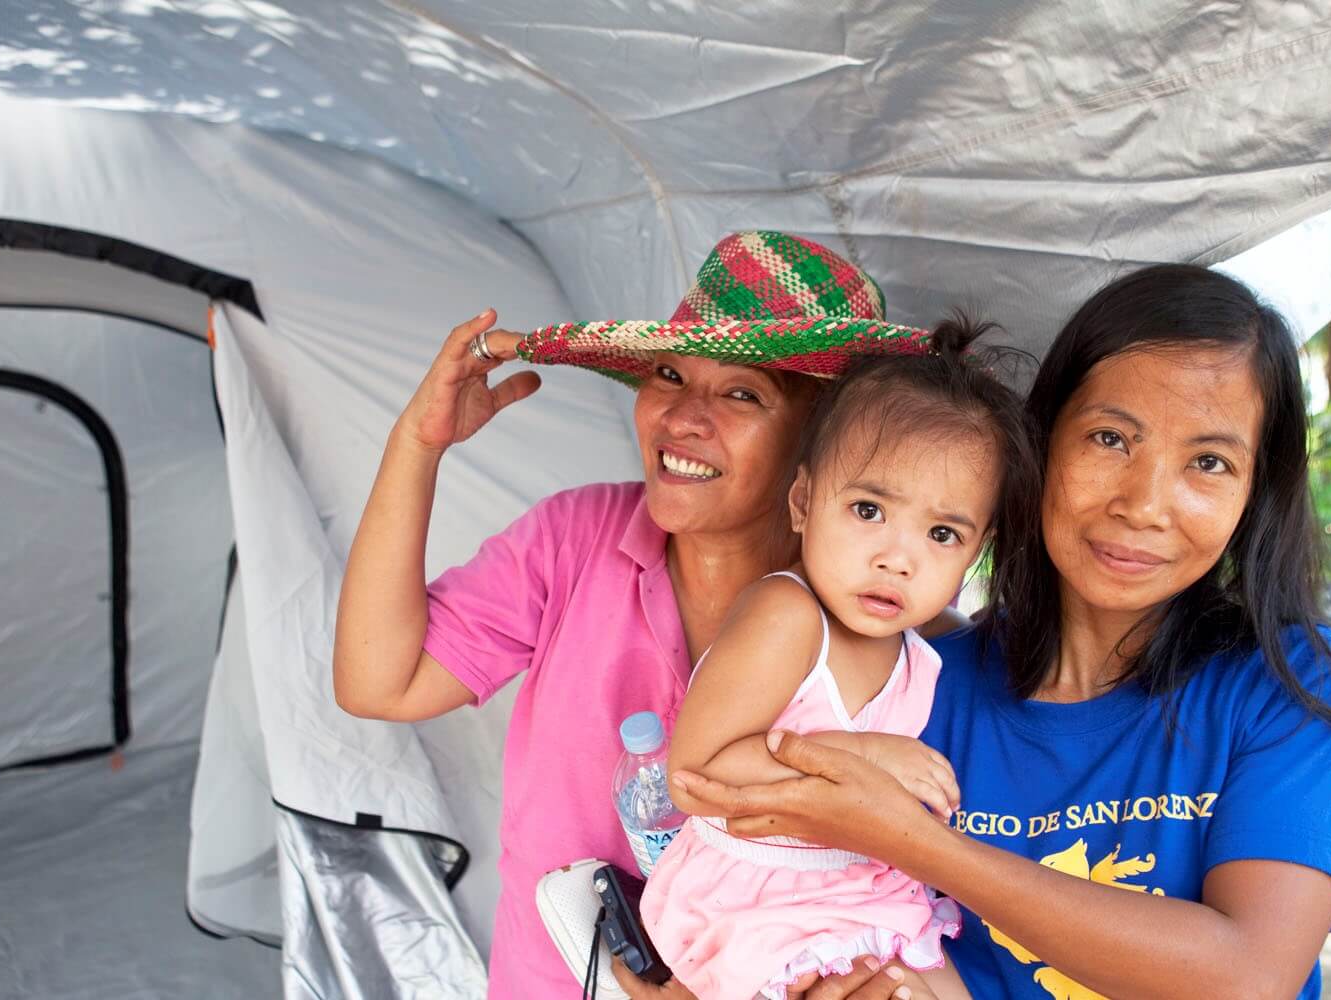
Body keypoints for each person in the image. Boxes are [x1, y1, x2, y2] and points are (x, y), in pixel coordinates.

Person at [670, 264, 1331, 1000]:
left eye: (1209, 462)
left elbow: (1248, 979)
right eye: (1111, 438)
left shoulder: (1288, 685)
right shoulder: (921, 683)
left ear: (1254, 494)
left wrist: (918, 842)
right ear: (1040, 446)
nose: (1145, 505)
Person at [332, 231, 935, 999]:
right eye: (669, 375)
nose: (682, 417)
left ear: (822, 443)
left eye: (743, 392)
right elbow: (380, 683)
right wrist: (417, 446)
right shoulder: (573, 541)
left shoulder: (877, 627)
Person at [642, 319, 1039, 1000]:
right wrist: (868, 758)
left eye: (942, 533)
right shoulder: (787, 616)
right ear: (802, 502)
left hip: (855, 885)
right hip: (754, 898)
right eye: (867, 510)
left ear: (975, 554)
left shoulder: (920, 657)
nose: (897, 556)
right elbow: (696, 773)